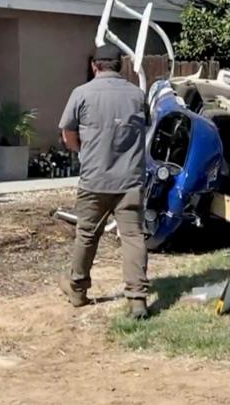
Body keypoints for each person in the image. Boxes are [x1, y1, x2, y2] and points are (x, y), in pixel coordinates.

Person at [58, 44, 150, 320]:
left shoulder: (81, 94)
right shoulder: (137, 95)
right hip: (130, 181)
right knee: (133, 237)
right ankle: (137, 300)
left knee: (86, 234)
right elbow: (147, 126)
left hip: (94, 179)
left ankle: (77, 290)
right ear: (120, 66)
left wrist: (84, 152)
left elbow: (67, 134)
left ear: (94, 66)